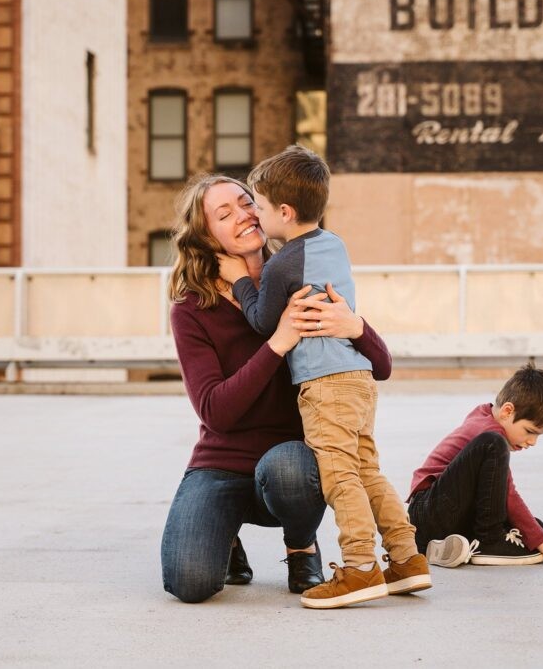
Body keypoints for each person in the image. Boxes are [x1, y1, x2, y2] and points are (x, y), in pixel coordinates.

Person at [161, 173, 395, 604]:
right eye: (223, 213)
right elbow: (216, 411)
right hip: (222, 463)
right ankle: (224, 533)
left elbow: (380, 366)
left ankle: (301, 543)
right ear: (205, 235)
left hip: (290, 462)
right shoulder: (192, 309)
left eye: (247, 202)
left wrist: (357, 328)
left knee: (290, 467)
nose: (244, 215)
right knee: (188, 583)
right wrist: (278, 342)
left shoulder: (294, 274)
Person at [217, 145, 428, 610]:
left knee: (339, 477)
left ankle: (358, 568)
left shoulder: (281, 265)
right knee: (367, 471)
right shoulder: (333, 245)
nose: (256, 213)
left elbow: (261, 320)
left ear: (285, 212)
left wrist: (239, 280)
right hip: (356, 376)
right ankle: (408, 559)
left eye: (261, 205)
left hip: (325, 384)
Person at [407, 363, 543, 568]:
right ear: (507, 411)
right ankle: (489, 541)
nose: (532, 442)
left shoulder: (487, 417)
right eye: (530, 431)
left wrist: (539, 537)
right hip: (428, 512)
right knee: (493, 444)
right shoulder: (488, 435)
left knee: (533, 527)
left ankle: (448, 546)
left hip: (447, 514)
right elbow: (508, 495)